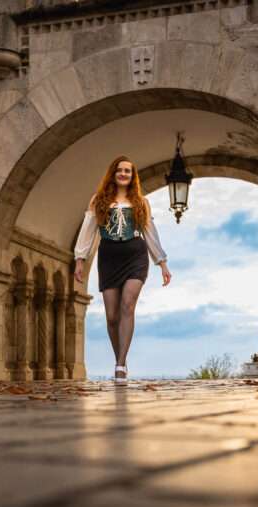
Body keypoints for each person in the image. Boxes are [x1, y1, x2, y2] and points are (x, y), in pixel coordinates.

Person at [73, 156, 172, 386]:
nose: (124, 174)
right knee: (111, 316)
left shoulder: (141, 202)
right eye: (120, 170)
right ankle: (121, 359)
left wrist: (162, 262)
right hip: (109, 256)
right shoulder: (98, 200)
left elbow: (150, 232)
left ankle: (119, 364)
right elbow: (88, 231)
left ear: (132, 175)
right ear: (113, 173)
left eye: (128, 171)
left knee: (128, 304)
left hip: (135, 255)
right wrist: (80, 259)